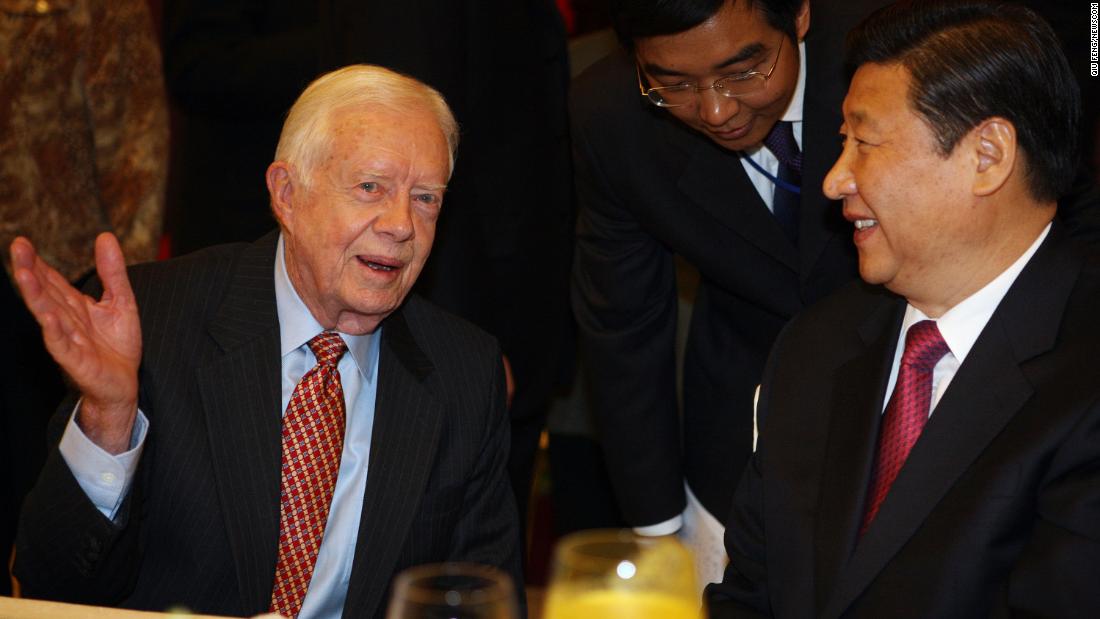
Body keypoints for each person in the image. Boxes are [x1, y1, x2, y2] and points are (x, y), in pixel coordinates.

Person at [11, 65, 521, 619]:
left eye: (425, 198)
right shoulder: (152, 326)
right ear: (287, 193)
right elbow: (50, 585)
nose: (402, 225)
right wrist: (109, 417)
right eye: (370, 187)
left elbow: (484, 602)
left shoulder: (464, 373)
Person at [706, 1, 1100, 616]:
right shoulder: (816, 346)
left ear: (987, 157)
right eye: (842, 142)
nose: (835, 180)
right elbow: (749, 595)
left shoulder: (1083, 369)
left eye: (866, 142)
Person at [569, 0, 891, 578]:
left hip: (922, 403)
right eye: (674, 83)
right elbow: (623, 326)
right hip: (736, 431)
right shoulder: (614, 114)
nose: (716, 111)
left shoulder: (896, 50)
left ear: (799, 15)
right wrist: (659, 530)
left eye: (744, 72)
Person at [0, 0, 168, 594]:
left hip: (72, 281)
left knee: (44, 472)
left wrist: (132, 283)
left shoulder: (106, 11)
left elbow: (135, 142)